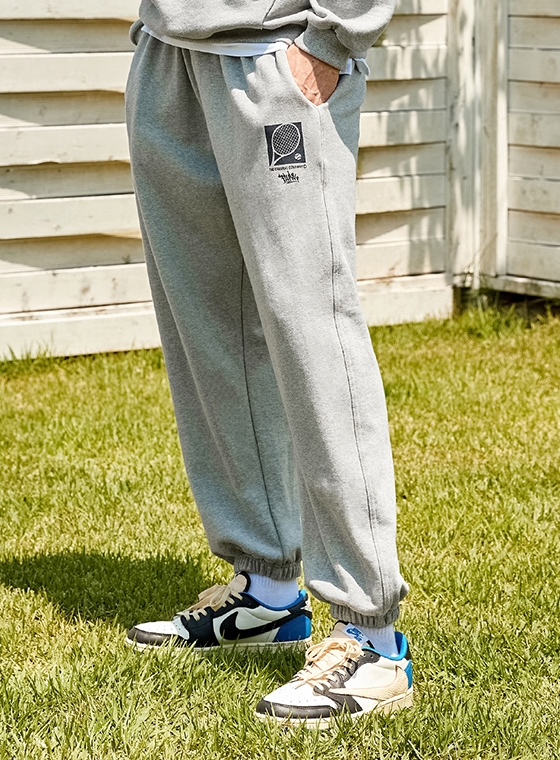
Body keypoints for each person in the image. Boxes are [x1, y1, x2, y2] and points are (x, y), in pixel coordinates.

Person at [124, 0, 412, 726]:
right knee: (210, 328)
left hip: (277, 56)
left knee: (315, 331)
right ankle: (267, 594)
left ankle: (373, 639)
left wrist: (334, 37)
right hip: (170, 51)